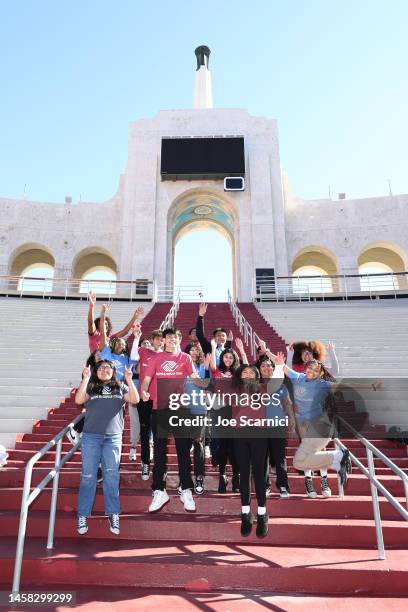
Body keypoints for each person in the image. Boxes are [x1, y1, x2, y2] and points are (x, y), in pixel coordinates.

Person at [275, 352, 357, 498]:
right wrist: (272, 354)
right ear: (304, 368)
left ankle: (331, 468)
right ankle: (319, 476)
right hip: (304, 424)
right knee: (308, 455)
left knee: (307, 456)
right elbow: (284, 368)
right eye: (309, 368)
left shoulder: (322, 383)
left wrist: (332, 353)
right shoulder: (299, 377)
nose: (311, 371)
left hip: (319, 424)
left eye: (315, 370)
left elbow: (336, 372)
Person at [140, 328, 201, 513]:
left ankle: (186, 489)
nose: (171, 340)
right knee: (159, 451)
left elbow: (195, 378)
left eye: (175, 337)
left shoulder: (185, 358)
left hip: (181, 408)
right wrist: (143, 390)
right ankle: (159, 489)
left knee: (183, 450)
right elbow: (146, 379)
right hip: (160, 409)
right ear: (164, 340)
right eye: (168, 338)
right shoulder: (155, 359)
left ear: (179, 340)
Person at [75, 360, 139, 536]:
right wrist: (86, 379)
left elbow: (135, 399)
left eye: (108, 368)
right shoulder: (92, 386)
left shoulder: (120, 386)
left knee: (111, 475)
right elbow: (79, 399)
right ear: (96, 371)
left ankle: (113, 513)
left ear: (113, 371)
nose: (105, 370)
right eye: (101, 368)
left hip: (113, 438)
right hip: (91, 437)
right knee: (88, 476)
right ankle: (83, 515)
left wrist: (129, 380)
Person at [231, 365, 270, 538]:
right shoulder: (233, 390)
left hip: (259, 434)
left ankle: (262, 514)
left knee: (259, 474)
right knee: (244, 473)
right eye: (244, 372)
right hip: (239, 434)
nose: (247, 374)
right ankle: (246, 514)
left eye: (251, 372)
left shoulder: (263, 388)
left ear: (256, 375)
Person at [257, 345, 296, 499]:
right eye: (263, 365)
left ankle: (283, 486)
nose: (266, 367)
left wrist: (291, 418)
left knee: (279, 457)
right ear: (259, 369)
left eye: (269, 365)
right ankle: (265, 486)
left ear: (274, 370)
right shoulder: (256, 386)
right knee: (262, 458)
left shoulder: (281, 386)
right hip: (260, 427)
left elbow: (287, 403)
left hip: (277, 426)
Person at [210, 338, 248, 493]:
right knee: (221, 446)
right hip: (220, 412)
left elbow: (247, 367)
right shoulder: (217, 372)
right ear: (222, 358)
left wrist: (242, 350)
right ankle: (222, 475)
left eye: (231, 357)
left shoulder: (239, 374)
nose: (228, 359)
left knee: (234, 447)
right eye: (225, 356)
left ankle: (236, 477)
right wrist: (213, 347)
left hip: (235, 413)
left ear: (234, 359)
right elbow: (212, 365)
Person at [129, 328, 164, 479]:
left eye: (162, 339)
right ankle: (145, 463)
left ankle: (160, 466)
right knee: (145, 431)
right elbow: (133, 357)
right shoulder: (144, 351)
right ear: (153, 339)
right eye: (157, 338)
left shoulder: (167, 356)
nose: (159, 341)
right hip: (144, 398)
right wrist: (136, 338)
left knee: (159, 435)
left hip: (161, 399)